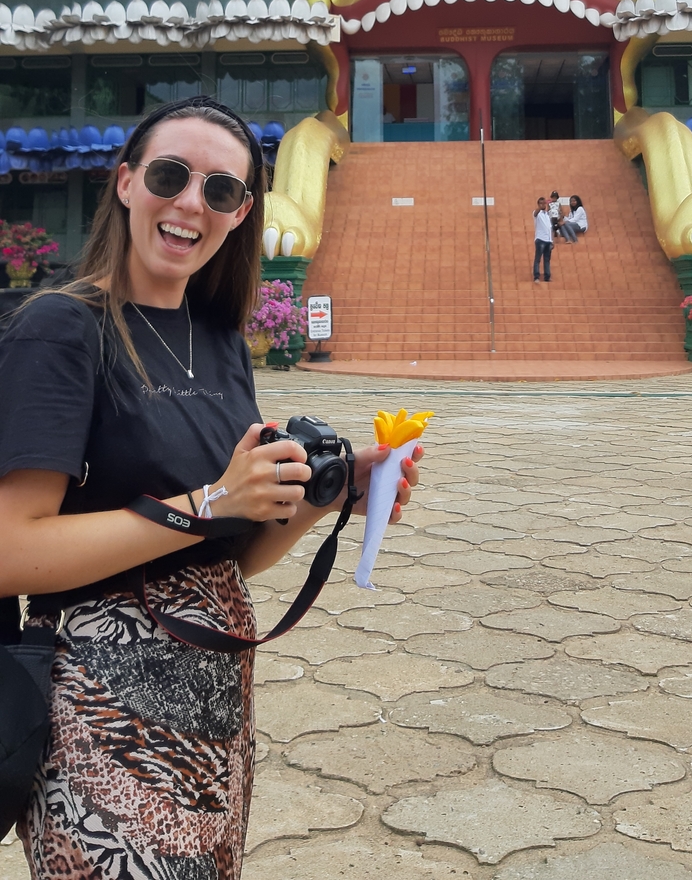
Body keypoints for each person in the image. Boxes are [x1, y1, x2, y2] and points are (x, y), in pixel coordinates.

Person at [0, 95, 422, 878]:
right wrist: (210, 501)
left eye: (220, 190)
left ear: (241, 212)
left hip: (216, 696)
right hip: (98, 706)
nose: (192, 202)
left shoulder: (220, 340)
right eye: (170, 175)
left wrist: (313, 501)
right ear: (126, 183)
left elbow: (222, 558)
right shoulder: (61, 328)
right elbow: (11, 550)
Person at [533, 197, 553, 283]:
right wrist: (540, 208)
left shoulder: (547, 215)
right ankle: (536, 276)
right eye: (541, 203)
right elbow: (536, 213)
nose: (543, 205)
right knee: (538, 259)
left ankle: (547, 276)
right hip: (540, 239)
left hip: (548, 240)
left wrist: (552, 241)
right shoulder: (537, 213)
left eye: (544, 203)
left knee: (547, 259)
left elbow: (550, 228)